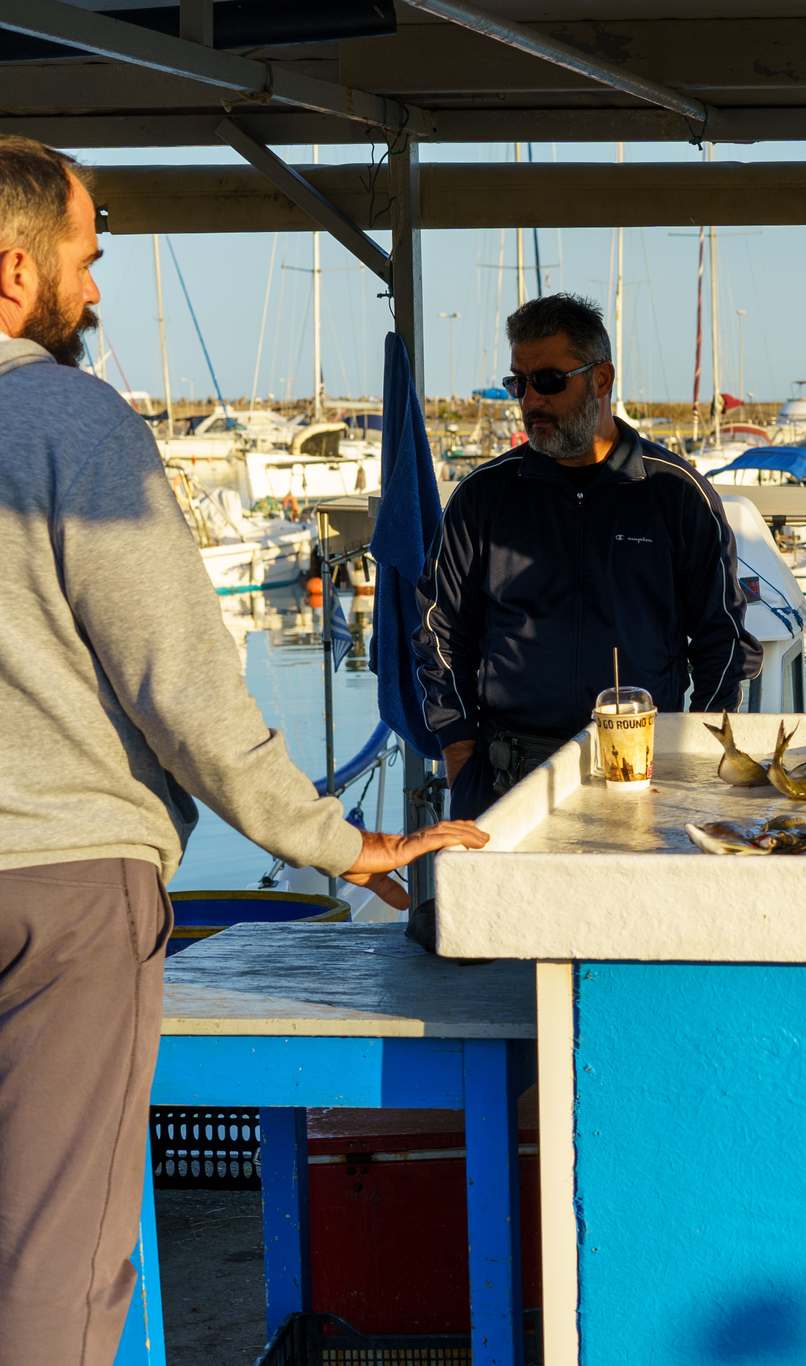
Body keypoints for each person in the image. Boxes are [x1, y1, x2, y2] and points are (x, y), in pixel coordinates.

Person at [0, 134, 487, 1366]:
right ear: (14, 275)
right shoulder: (67, 418)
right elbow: (183, 682)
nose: (97, 290)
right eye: (85, 258)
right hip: (57, 892)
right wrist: (336, 838)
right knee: (50, 1259)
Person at [416, 294, 761, 819]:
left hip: (643, 771)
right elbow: (438, 632)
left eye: (548, 380)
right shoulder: (483, 497)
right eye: (518, 382)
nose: (530, 400)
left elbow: (723, 642)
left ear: (601, 379)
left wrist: (691, 762)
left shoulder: (677, 494)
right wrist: (461, 759)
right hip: (505, 774)